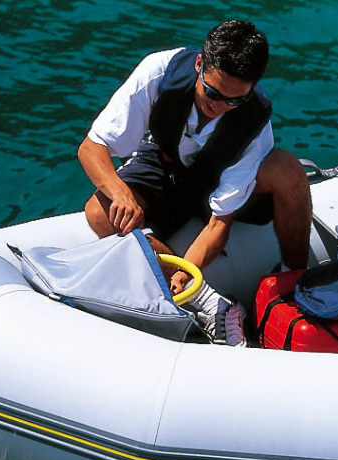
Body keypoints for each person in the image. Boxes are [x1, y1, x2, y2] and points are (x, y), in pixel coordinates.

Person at [78, 20, 312, 346]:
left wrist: (187, 270)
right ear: (200, 64)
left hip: (219, 174)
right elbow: (91, 148)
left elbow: (220, 224)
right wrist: (120, 193)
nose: (218, 108)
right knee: (99, 213)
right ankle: (207, 300)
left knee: (289, 170)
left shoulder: (255, 119)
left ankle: (295, 284)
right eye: (213, 93)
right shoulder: (158, 73)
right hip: (165, 163)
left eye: (233, 101)